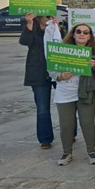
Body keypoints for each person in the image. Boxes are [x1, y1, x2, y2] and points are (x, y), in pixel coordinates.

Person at [51, 23, 95, 166]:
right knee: (66, 125)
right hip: (65, 92)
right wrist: (60, 76)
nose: (82, 34)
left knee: (87, 123)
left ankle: (91, 152)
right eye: (79, 31)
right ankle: (66, 152)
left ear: (89, 36)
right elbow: (51, 69)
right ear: (73, 34)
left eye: (86, 32)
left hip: (87, 92)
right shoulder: (61, 50)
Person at [19, 13, 57, 149]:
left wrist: (57, 28)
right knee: (42, 108)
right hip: (38, 72)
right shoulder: (32, 29)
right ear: (39, 18)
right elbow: (24, 41)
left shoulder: (57, 28)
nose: (49, 18)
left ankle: (70, 133)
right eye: (47, 16)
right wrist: (29, 23)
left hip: (58, 70)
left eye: (51, 16)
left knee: (67, 104)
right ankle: (45, 139)